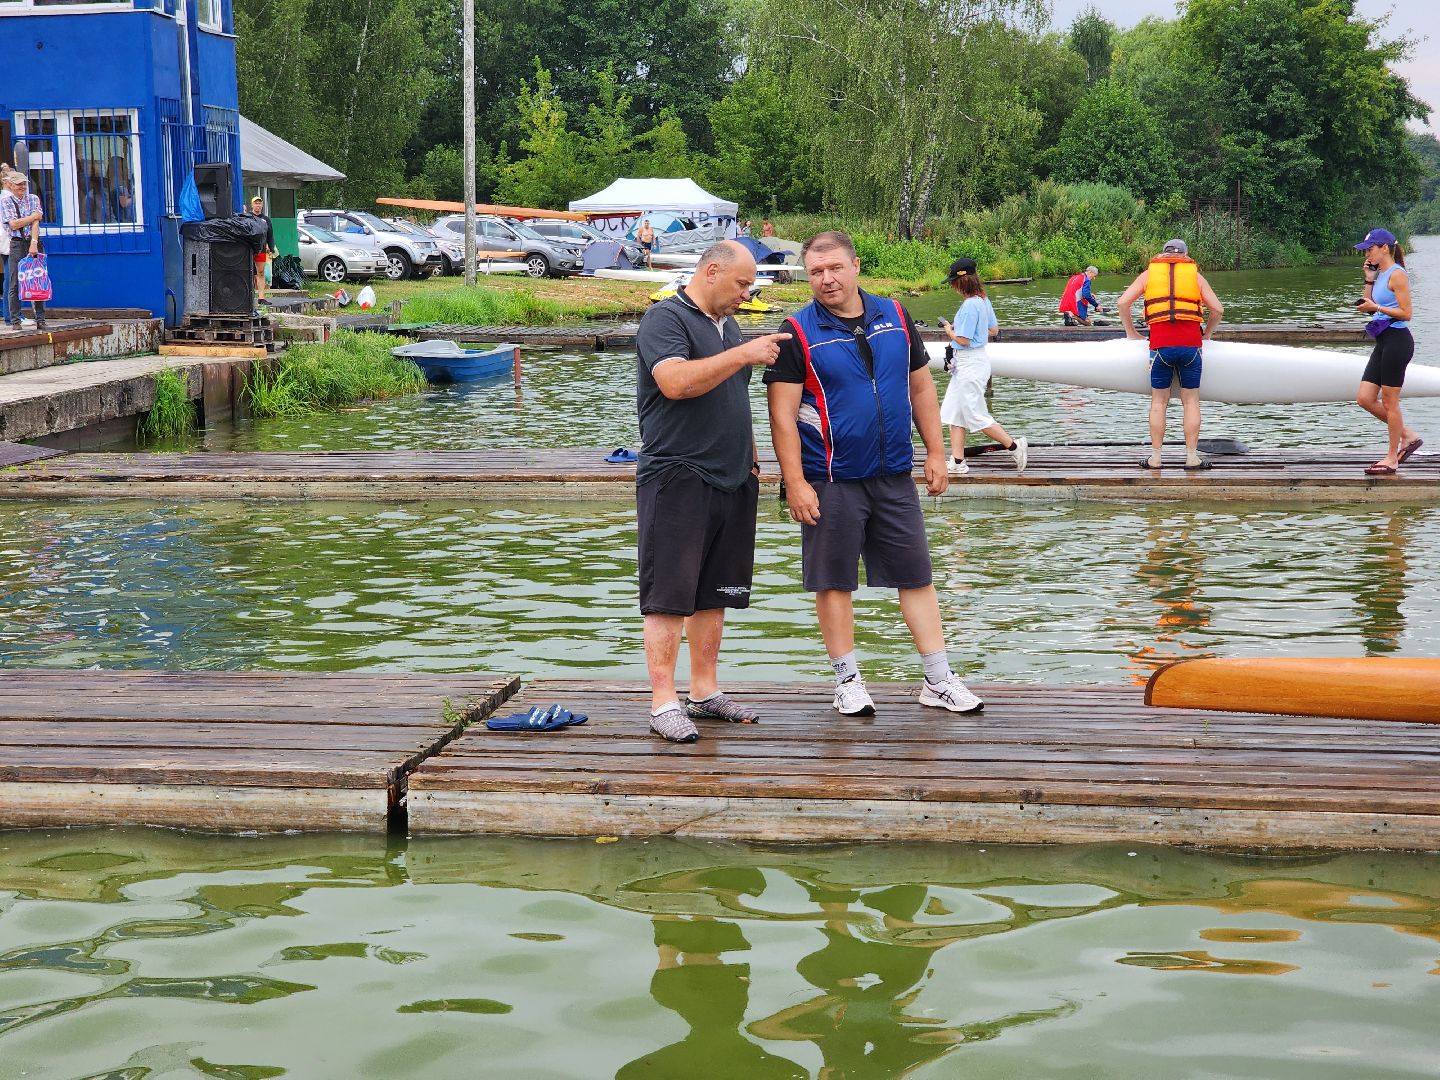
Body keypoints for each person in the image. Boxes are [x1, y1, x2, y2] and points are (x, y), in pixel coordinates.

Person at [766, 230, 983, 717]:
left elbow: (922, 389)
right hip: (830, 477)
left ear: (855, 266)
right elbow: (780, 416)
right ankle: (847, 680)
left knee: (917, 575)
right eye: (816, 272)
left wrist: (935, 452)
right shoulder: (795, 332)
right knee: (833, 581)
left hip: (893, 473)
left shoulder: (895, 315)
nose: (826, 280)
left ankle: (938, 678)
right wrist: (796, 482)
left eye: (835, 268)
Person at [635, 240, 791, 743]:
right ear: (712, 270)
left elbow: (732, 395)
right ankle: (663, 703)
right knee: (669, 596)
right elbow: (676, 383)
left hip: (732, 476)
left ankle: (704, 692)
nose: (747, 295)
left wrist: (751, 456)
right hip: (678, 474)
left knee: (714, 593)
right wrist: (743, 353)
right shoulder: (666, 319)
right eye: (742, 284)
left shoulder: (729, 324)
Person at [1116, 239, 1223, 470]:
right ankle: (1192, 458)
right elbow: (1217, 310)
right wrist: (1207, 335)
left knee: (1158, 402)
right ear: (1186, 255)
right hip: (1190, 347)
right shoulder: (1195, 276)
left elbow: (1122, 303)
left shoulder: (1148, 275)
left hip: (1160, 347)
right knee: (1191, 401)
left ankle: (1155, 458)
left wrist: (1131, 332)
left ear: (1162, 255)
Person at [937, 257, 1026, 476]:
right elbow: (993, 330)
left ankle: (1014, 446)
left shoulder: (969, 306)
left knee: (975, 415)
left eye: (953, 283)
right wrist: (972, 332)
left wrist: (949, 330)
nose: (952, 287)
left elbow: (964, 340)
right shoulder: (983, 300)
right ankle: (958, 461)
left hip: (969, 363)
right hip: (975, 361)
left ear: (961, 282)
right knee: (953, 412)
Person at [1353, 227, 1420, 475]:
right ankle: (1408, 436)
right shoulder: (1380, 274)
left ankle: (1392, 458)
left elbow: (1407, 313)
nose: (1366, 254)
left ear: (1384, 248)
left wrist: (1377, 305)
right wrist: (1368, 279)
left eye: (1370, 249)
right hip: (1383, 340)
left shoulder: (1397, 274)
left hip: (1398, 341)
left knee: (1390, 402)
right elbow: (1371, 309)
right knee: (1365, 398)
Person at [1, 169, 47, 332]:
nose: (22, 187)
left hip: (32, 240)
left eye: (24, 184)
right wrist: (32, 217)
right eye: (18, 184)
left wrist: (34, 242)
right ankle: (15, 319)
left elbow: (37, 222)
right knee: (14, 281)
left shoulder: (33, 198)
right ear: (11, 186)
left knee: (37, 280)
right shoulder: (6, 201)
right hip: (16, 243)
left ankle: (40, 319)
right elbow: (13, 224)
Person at [247, 195, 277, 305]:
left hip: (261, 250)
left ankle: (261, 298)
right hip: (249, 249)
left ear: (262, 205)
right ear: (252, 205)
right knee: (248, 272)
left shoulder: (266, 219)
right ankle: (248, 297)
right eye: (256, 203)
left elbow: (270, 235)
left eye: (259, 203)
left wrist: (272, 247)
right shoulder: (248, 218)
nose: (258, 205)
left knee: (261, 272)